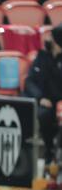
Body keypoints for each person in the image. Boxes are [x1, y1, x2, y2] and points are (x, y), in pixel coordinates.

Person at [24, 23, 62, 165]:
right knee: (42, 114)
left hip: (58, 101)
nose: (48, 38)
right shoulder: (42, 56)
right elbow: (29, 80)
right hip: (44, 100)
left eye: (52, 36)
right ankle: (49, 150)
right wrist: (40, 97)